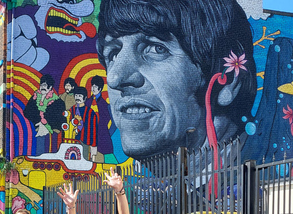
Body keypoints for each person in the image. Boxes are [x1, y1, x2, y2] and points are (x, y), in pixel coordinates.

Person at [96, 0, 256, 159]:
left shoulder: (256, 175)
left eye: (156, 49)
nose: (114, 78)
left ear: (228, 80)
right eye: (114, 54)